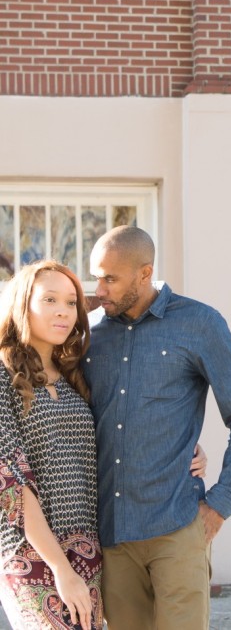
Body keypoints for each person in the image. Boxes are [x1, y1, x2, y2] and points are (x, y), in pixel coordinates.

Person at [84, 226, 231, 630]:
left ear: (144, 273)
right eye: (97, 276)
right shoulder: (90, 334)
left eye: (110, 278)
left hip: (177, 526)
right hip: (111, 533)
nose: (100, 289)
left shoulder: (199, 323)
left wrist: (223, 501)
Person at [0, 260, 102, 628]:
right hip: (32, 554)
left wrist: (192, 452)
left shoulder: (77, 375)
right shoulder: (2, 376)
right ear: (22, 304)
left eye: (72, 302)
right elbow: (12, 481)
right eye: (50, 300)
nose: (64, 311)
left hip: (89, 548)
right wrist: (60, 567)